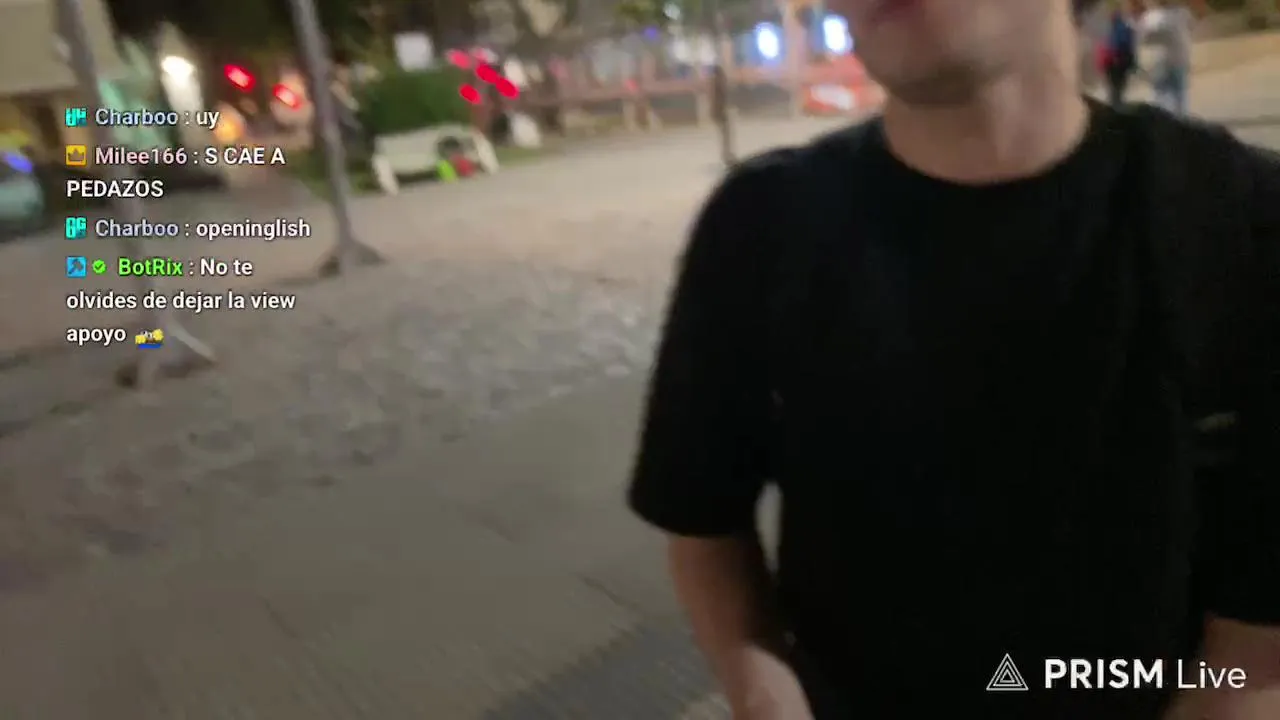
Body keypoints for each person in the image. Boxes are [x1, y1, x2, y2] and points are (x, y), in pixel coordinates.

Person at [626, 0, 1279, 717]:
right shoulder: (760, 226)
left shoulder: (1239, 219)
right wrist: (761, 689)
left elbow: (1253, 646)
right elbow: (703, 521)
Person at [1141, 0, 1195, 114]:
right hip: (1179, 58)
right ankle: (1181, 117)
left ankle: (1163, 117)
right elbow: (1190, 28)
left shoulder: (1150, 17)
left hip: (1160, 60)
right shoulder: (1183, 13)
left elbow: (1144, 39)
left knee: (1160, 94)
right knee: (1180, 94)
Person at [1099, 6, 1138, 105]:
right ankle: (1117, 104)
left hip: (1113, 63)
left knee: (1114, 88)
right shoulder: (1125, 28)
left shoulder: (1111, 30)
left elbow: (1112, 46)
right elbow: (1130, 46)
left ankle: (1115, 105)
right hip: (1121, 62)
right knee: (1119, 87)